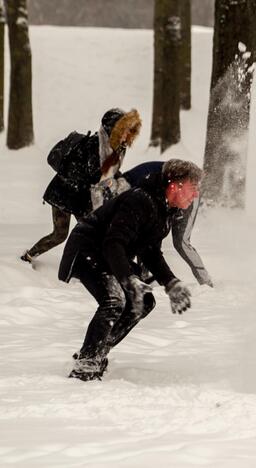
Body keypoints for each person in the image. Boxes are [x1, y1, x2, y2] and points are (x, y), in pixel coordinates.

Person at [60, 159, 202, 381]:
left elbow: (150, 252)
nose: (195, 195)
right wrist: (128, 279)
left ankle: (98, 351)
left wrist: (171, 282)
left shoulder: (165, 209)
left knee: (143, 301)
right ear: (175, 186)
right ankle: (86, 361)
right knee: (114, 299)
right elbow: (113, 243)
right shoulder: (140, 200)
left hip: (109, 253)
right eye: (193, 189)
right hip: (87, 249)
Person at [21, 108, 141, 264]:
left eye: (129, 130)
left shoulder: (115, 148)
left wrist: (122, 181)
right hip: (63, 194)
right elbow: (95, 174)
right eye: (124, 130)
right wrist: (113, 182)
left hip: (81, 197)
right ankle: (28, 257)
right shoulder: (94, 146)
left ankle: (92, 264)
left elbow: (107, 173)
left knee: (93, 231)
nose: (127, 134)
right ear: (113, 130)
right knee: (60, 235)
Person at [91, 160, 214, 287]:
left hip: (184, 192)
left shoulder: (133, 189)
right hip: (175, 192)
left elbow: (151, 233)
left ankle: (205, 280)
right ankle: (144, 275)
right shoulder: (133, 189)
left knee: (180, 241)